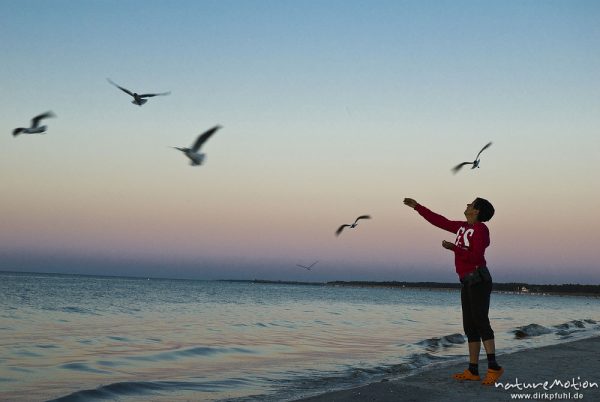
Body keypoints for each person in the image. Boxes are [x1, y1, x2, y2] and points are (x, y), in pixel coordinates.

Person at [403, 197, 504, 386]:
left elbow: (476, 256)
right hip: (467, 281)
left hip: (479, 279)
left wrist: (453, 248)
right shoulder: (462, 226)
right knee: (469, 326)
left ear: (477, 211)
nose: (466, 205)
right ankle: (473, 370)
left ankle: (494, 367)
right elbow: (440, 221)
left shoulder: (481, 229)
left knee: (481, 321)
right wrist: (417, 207)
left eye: (471, 204)